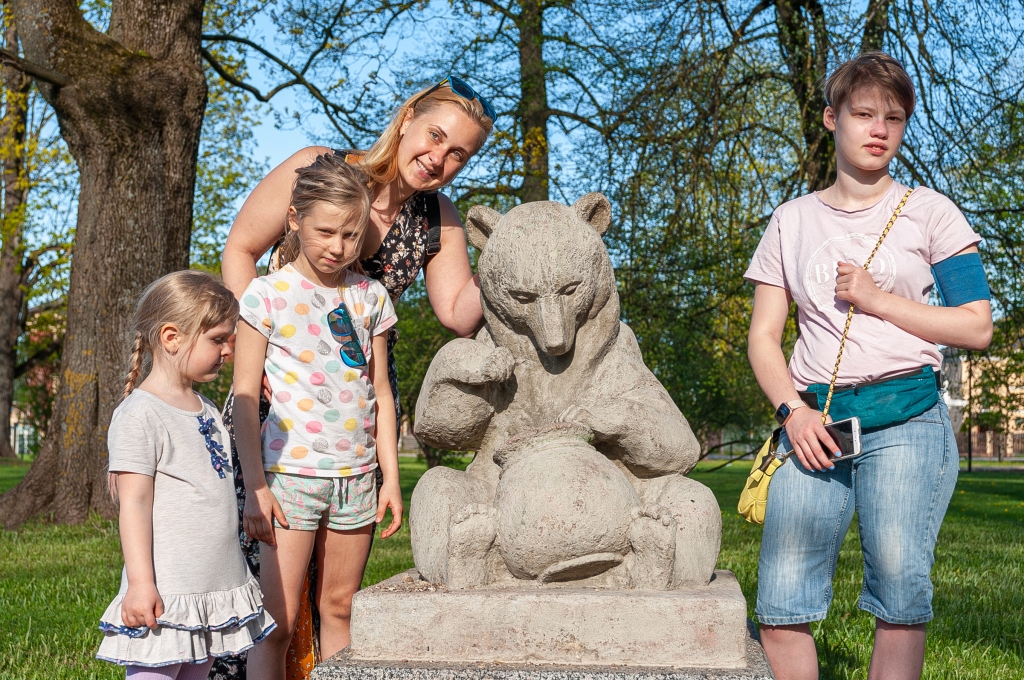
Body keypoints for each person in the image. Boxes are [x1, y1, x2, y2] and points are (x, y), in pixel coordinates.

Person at [211, 76, 494, 680]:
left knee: (334, 599)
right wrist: (247, 355)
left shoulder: (435, 217)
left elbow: (458, 311)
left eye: (458, 155)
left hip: (351, 426)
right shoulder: (320, 170)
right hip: (280, 406)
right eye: (435, 136)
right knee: (267, 596)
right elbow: (240, 248)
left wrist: (512, 262)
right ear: (409, 116)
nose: (438, 159)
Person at [744, 52, 992, 680]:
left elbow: (976, 325)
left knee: (900, 595)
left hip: (908, 418)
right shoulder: (791, 220)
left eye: (895, 118)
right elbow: (764, 338)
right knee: (780, 602)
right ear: (832, 118)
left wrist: (880, 300)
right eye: (863, 114)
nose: (879, 128)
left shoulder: (931, 212)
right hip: (815, 424)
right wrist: (791, 414)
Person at [232, 156, 403, 680]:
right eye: (326, 231)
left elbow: (380, 392)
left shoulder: (370, 296)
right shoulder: (267, 295)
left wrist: (390, 478)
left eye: (351, 236)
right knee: (278, 623)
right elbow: (243, 395)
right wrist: (257, 486)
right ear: (294, 220)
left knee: (340, 609)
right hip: (290, 480)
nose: (337, 246)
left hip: (356, 480)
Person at [97, 271, 276, 678]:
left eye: (229, 339)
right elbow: (135, 505)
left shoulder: (208, 409)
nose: (228, 350)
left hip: (212, 588)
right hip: (168, 592)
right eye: (217, 339)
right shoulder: (140, 414)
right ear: (171, 337)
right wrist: (141, 584)